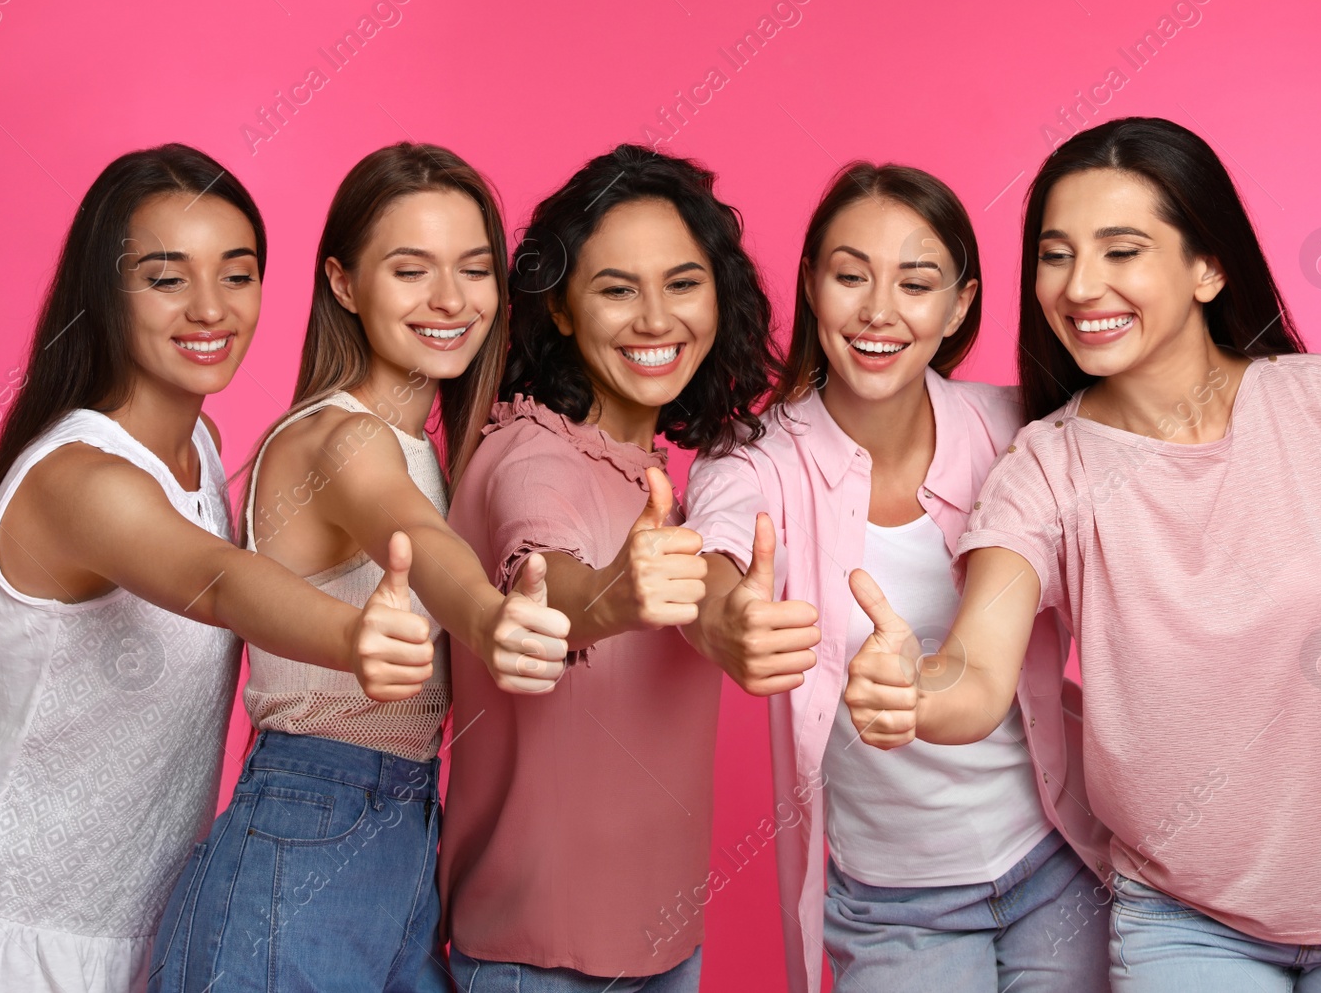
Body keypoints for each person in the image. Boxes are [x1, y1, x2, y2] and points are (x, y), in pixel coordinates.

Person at [845, 117, 1321, 992]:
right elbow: (976, 672)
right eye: (1055, 255)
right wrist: (913, 690)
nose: (1080, 286)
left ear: (1208, 267)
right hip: (1189, 924)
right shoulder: (1045, 467)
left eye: (1121, 251)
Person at [0, 144, 432, 993]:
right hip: (0, 941)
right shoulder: (83, 480)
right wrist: (353, 632)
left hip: (132, 937)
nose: (210, 307)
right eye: (167, 278)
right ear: (106, 292)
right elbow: (219, 580)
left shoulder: (199, 450)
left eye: (237, 275)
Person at [148, 143, 569, 993]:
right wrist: (490, 618)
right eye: (411, 270)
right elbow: (409, 531)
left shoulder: (429, 452)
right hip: (309, 824)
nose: (451, 300)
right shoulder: (340, 440)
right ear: (343, 283)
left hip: (401, 832)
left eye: (474, 269)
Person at [684, 162, 1112, 993]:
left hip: (1056, 862)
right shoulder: (755, 457)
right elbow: (716, 554)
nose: (878, 311)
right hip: (894, 907)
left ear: (958, 305)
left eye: (915, 283)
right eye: (851, 275)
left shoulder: (1018, 430)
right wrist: (726, 617)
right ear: (811, 284)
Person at [441, 145, 778, 992]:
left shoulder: (654, 473)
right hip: (539, 962)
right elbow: (544, 572)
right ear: (558, 308)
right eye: (617, 289)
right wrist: (607, 598)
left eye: (683, 282)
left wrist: (733, 621)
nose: (656, 318)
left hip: (662, 949)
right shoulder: (531, 453)